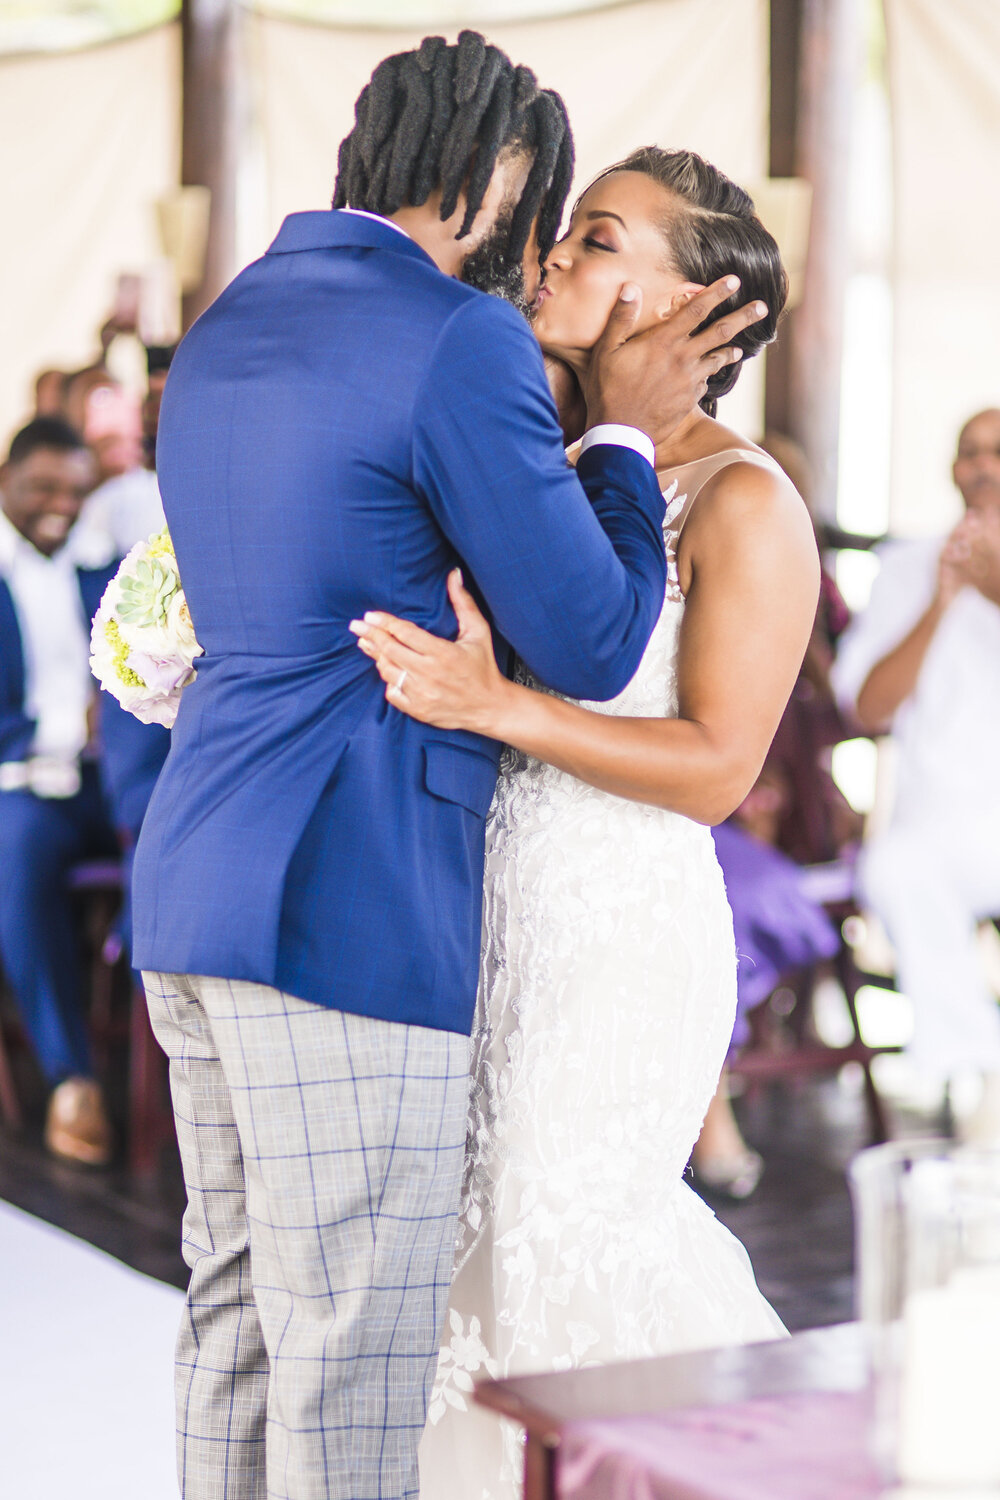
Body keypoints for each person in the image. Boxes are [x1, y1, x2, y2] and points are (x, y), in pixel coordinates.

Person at [133, 34, 767, 1500]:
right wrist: (618, 430)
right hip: (343, 901)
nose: (536, 253)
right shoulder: (451, 334)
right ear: (491, 179)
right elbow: (597, 637)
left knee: (233, 1317)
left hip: (195, 883)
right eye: (541, 212)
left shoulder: (231, 318)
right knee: (356, 1354)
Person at [350, 146, 819, 1498]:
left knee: (574, 1249)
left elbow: (720, 767)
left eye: (599, 240)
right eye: (566, 233)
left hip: (614, 935)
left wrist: (500, 710)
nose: (555, 255)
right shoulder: (548, 467)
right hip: (481, 919)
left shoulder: (744, 501)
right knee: (469, 1266)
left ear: (695, 307)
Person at [0, 417, 168, 1163]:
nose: (59, 505)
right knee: (17, 850)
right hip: (25, 785)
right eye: (41, 488)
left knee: (167, 829)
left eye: (75, 490)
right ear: (6, 482)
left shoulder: (110, 575)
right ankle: (72, 1078)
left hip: (114, 782)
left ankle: (167, 1048)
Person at [832, 408, 1000, 1140]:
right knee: (896, 869)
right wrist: (944, 599)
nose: (984, 466)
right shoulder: (908, 566)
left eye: (998, 451)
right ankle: (977, 1077)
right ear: (952, 468)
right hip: (937, 823)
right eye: (970, 452)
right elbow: (866, 709)